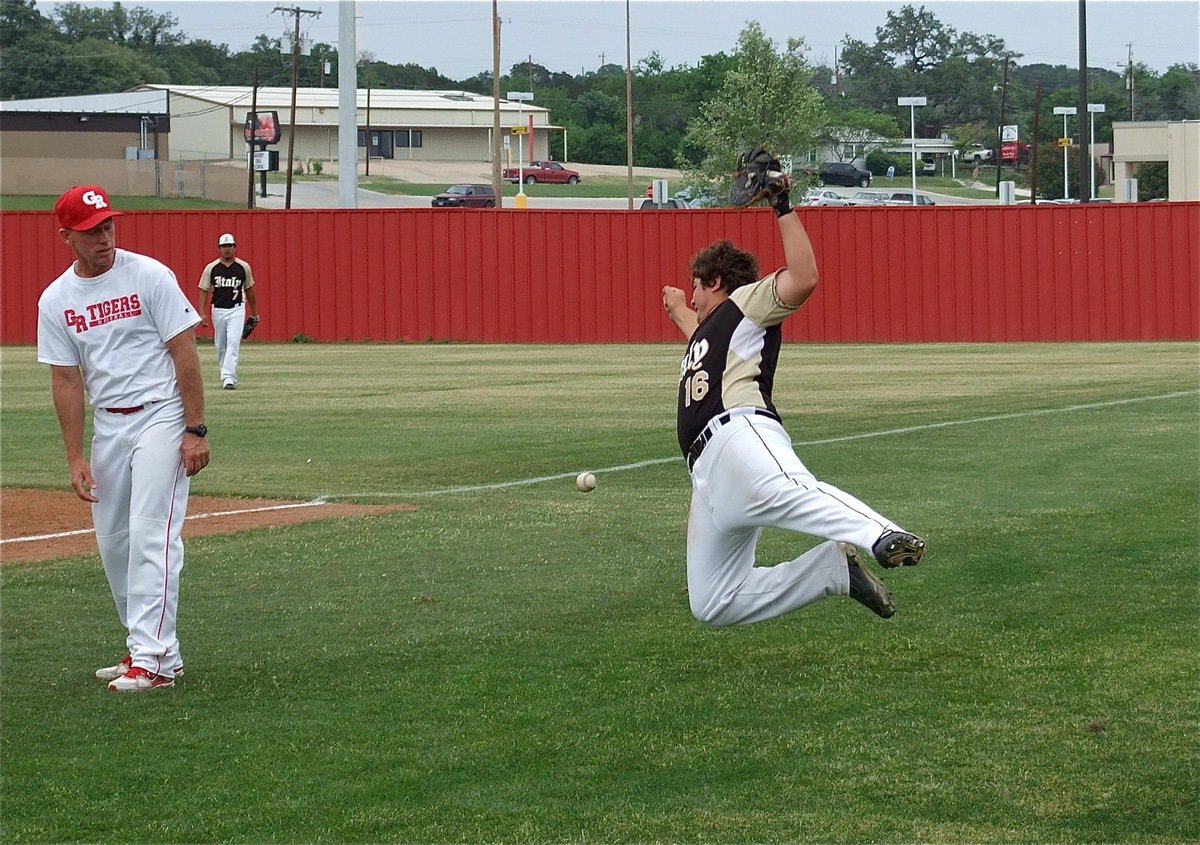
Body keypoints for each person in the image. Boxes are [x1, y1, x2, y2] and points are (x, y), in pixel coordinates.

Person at [660, 170, 925, 627]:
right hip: (706, 477)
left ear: (717, 282)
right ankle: (833, 571)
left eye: (698, 285)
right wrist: (680, 308)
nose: (695, 295)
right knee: (713, 602)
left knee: (790, 490)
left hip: (739, 435)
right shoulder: (710, 332)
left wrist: (781, 203)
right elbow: (697, 333)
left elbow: (803, 278)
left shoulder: (747, 304)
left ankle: (884, 534)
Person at [37, 184, 210, 691]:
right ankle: (154, 649)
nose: (104, 237)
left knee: (151, 533)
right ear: (67, 235)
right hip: (109, 423)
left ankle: (152, 662)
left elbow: (186, 354)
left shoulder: (149, 275)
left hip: (161, 415)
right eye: (91, 231)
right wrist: (74, 456)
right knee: (114, 542)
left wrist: (194, 429)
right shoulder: (57, 299)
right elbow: (66, 380)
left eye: (109, 225)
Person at [198, 232, 258, 390]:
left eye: (230, 246)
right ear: (219, 248)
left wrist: (254, 312)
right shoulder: (211, 268)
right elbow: (204, 289)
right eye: (224, 246)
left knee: (233, 342)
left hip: (237, 309)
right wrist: (202, 312)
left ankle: (228, 378)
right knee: (220, 345)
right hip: (217, 309)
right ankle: (227, 373)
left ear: (235, 247)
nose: (227, 249)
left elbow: (250, 290)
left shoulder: (243, 267)